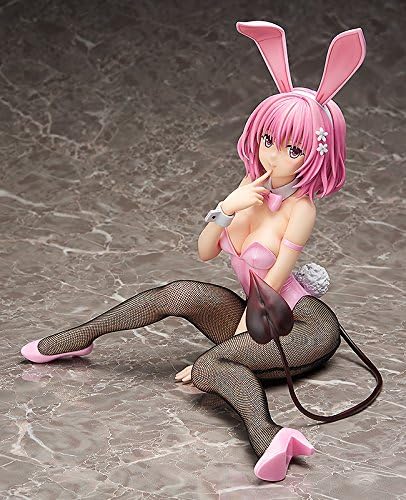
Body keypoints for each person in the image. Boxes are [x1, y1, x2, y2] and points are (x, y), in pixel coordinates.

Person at [20, 21, 368, 482]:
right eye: (268, 140)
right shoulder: (251, 185)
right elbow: (206, 251)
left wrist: (226, 352)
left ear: (318, 152)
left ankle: (272, 438)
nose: (273, 156)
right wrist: (227, 207)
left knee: (211, 366)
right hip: (256, 314)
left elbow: (269, 288)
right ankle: (79, 338)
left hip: (299, 324)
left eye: (293, 149)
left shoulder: (301, 209)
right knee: (179, 292)